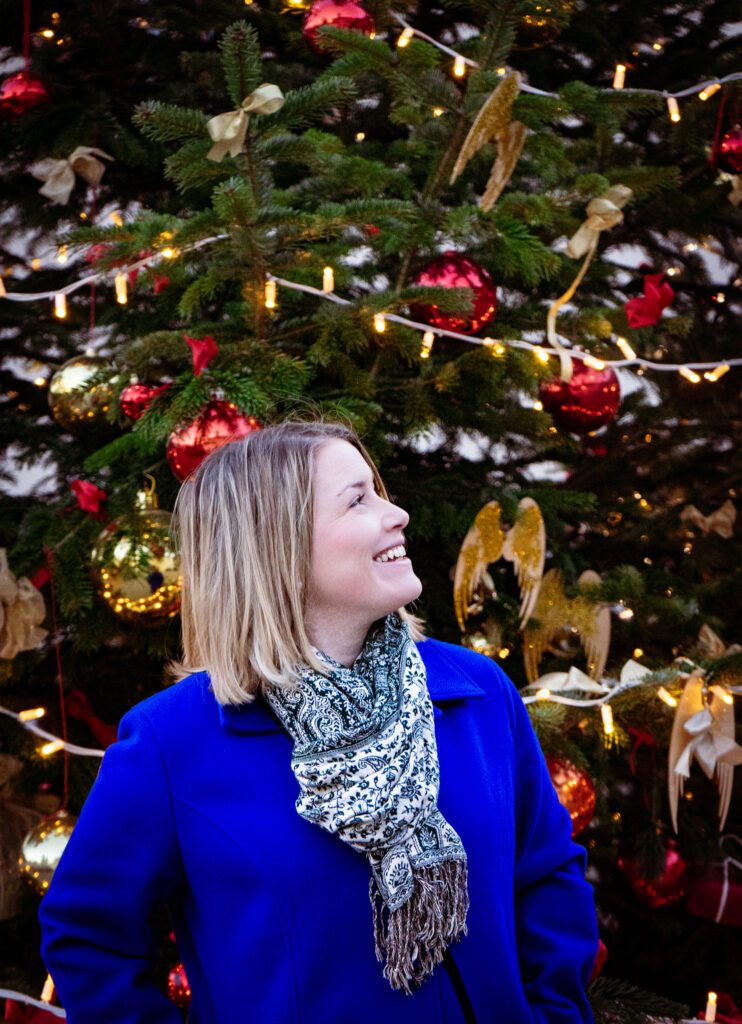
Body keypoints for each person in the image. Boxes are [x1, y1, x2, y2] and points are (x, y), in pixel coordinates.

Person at [39, 419, 599, 1023]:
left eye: (378, 491)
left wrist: (554, 1013)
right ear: (274, 544)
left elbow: (546, 876)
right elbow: (87, 934)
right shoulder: (173, 741)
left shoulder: (475, 693)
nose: (397, 514)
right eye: (358, 500)